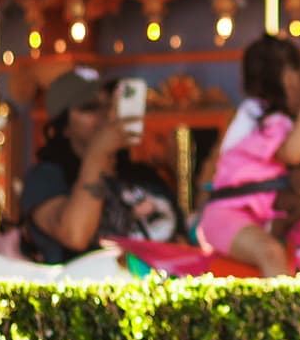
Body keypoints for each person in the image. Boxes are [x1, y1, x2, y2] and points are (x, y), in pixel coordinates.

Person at [20, 70, 182, 263]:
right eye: (90, 108)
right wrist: (98, 154)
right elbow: (75, 235)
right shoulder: (46, 178)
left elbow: (182, 241)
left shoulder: (144, 176)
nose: (104, 115)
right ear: (64, 126)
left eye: (109, 106)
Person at [199, 35, 300, 277]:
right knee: (271, 252)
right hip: (228, 215)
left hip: (256, 216)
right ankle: (285, 315)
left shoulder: (266, 118)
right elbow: (293, 153)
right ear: (289, 78)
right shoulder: (257, 115)